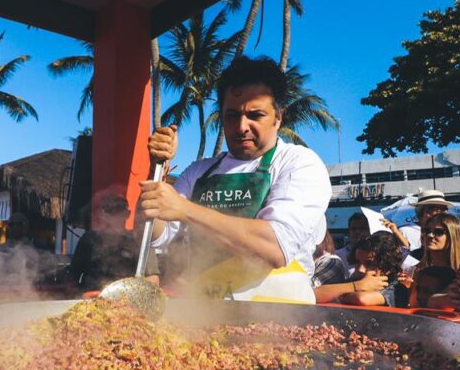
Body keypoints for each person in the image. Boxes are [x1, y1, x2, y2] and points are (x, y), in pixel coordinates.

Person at [141, 57, 331, 303]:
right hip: (203, 313)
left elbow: (274, 247)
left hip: (280, 318)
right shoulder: (199, 172)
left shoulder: (299, 164)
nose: (242, 126)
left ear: (278, 117)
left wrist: (185, 209)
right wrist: (155, 170)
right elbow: (159, 234)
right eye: (231, 115)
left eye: (255, 115)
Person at [67, 193, 160, 291]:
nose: (115, 217)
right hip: (90, 298)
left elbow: (153, 280)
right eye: (110, 212)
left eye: (119, 211)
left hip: (126, 299)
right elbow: (72, 277)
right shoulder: (88, 239)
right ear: (103, 215)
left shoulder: (140, 241)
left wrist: (131, 292)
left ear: (127, 214)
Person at [316, 232, 405, 307]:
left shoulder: (395, 288)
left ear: (387, 265)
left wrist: (356, 287)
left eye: (369, 264)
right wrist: (356, 285)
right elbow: (315, 294)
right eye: (357, 262)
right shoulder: (356, 281)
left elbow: (361, 299)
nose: (360, 269)